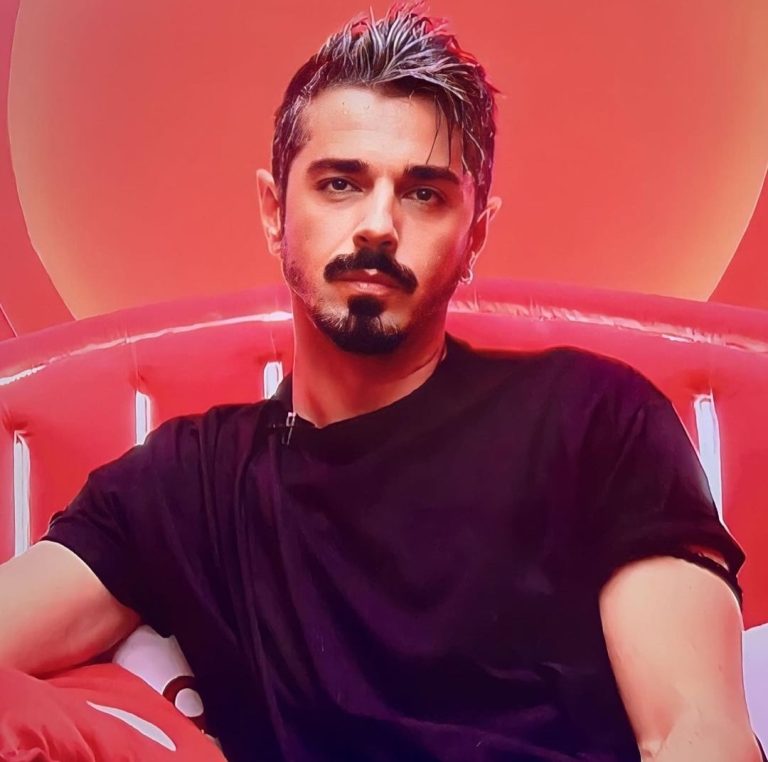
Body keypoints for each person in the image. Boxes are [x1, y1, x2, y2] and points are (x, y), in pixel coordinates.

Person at [0, 5, 763, 761]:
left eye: (424, 193)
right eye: (340, 183)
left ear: (476, 233)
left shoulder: (596, 421)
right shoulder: (188, 485)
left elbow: (696, 734)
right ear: (274, 211)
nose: (378, 225)